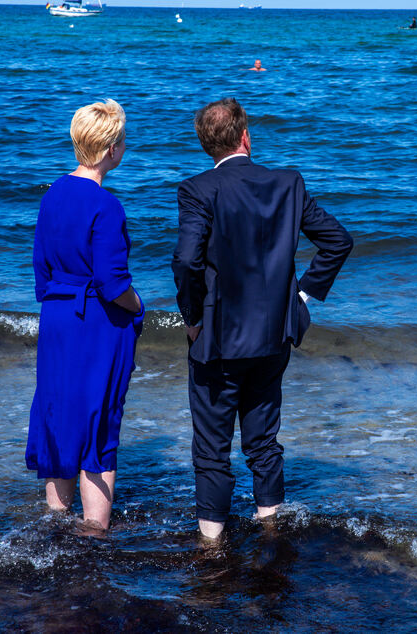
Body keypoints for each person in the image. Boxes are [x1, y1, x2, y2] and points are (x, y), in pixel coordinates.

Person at [172, 98, 353, 540]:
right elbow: (337, 241)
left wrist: (192, 317)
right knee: (264, 442)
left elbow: (185, 262)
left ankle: (211, 548)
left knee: (213, 452)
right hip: (273, 336)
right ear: (245, 137)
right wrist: (301, 298)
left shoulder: (198, 190)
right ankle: (271, 531)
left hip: (217, 340)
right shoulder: (288, 184)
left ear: (206, 145)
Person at [26, 99, 144, 532]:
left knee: (58, 415)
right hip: (94, 322)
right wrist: (138, 307)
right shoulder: (106, 205)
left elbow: (41, 272)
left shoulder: (52, 194)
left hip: (56, 317)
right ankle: (94, 534)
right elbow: (114, 284)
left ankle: (56, 526)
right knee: (99, 419)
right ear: (111, 148)